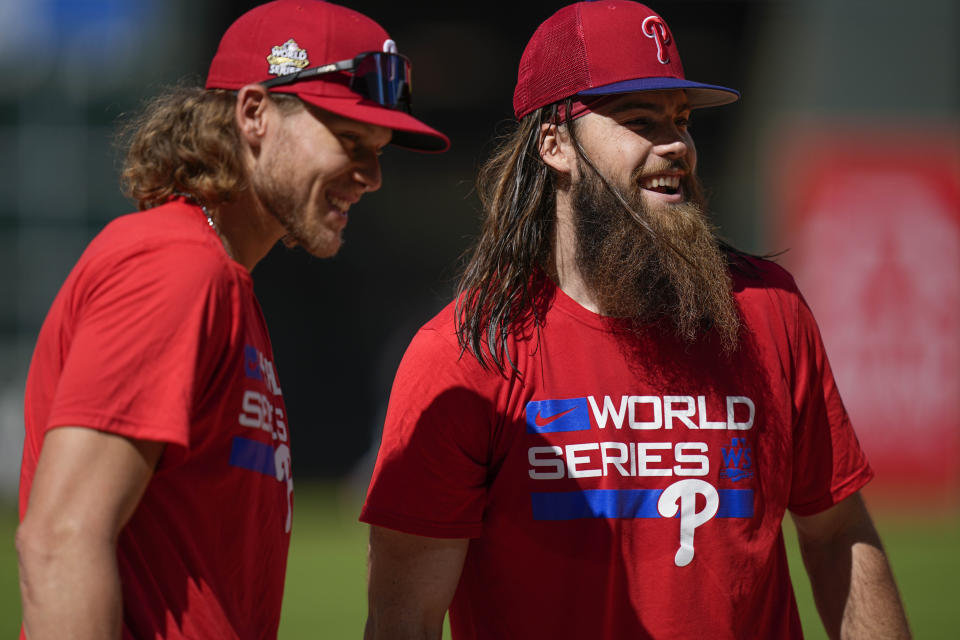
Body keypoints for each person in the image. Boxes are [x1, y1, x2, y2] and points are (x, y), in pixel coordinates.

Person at [360, 2, 910, 638]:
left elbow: (837, 530)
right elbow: (408, 618)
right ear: (555, 144)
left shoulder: (769, 311)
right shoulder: (467, 356)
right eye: (640, 119)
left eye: (680, 119)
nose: (675, 143)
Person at [15, 1, 448, 638]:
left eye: (379, 150)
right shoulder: (175, 266)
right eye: (351, 141)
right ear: (254, 114)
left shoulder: (219, 277)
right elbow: (60, 538)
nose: (373, 177)